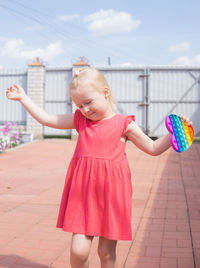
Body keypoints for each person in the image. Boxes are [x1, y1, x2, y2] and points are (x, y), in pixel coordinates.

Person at [6, 67, 192, 268]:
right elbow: (47, 119)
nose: (85, 109)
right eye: (79, 105)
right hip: (82, 194)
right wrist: (23, 99)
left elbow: (153, 148)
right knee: (79, 250)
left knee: (106, 252)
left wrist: (174, 134)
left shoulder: (124, 124)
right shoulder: (80, 120)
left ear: (105, 93)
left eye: (88, 102)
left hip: (112, 196)